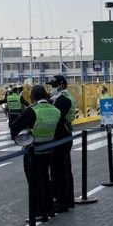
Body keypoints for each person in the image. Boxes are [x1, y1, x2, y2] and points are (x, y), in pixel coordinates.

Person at [10, 85, 60, 222]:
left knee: (35, 182)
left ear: (32, 97)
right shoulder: (55, 110)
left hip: (34, 150)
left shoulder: (32, 110)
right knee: (46, 179)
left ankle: (39, 213)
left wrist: (22, 137)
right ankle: (50, 209)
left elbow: (15, 126)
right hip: (49, 150)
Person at [48, 75, 76, 213]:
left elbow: (56, 118)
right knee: (63, 168)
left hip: (61, 136)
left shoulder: (63, 99)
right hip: (63, 136)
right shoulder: (60, 97)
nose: (52, 88)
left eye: (54, 85)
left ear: (61, 85)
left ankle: (62, 202)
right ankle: (66, 200)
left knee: (59, 170)